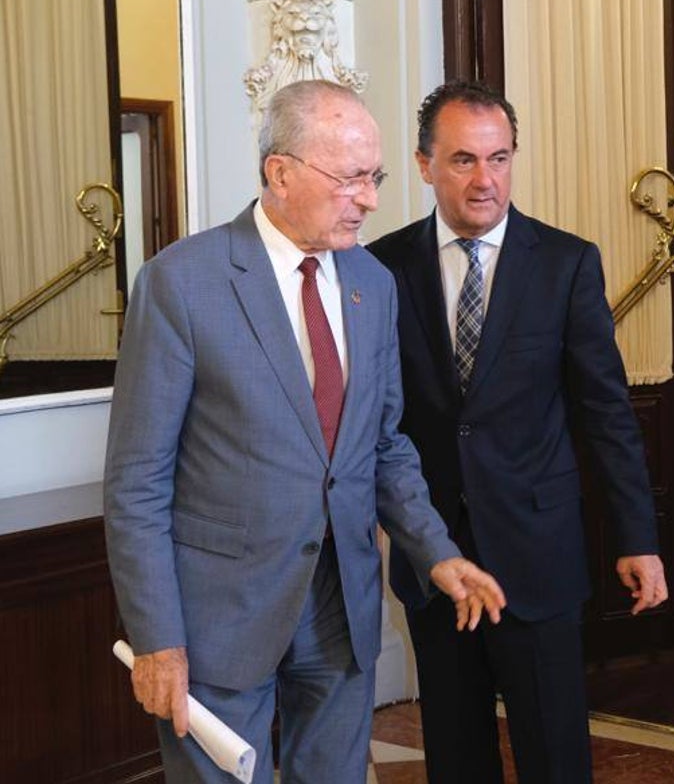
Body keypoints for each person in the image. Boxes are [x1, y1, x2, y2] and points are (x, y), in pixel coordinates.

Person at [104, 79, 505, 784]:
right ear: (279, 173)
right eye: (351, 178)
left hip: (340, 604)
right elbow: (138, 483)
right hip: (218, 620)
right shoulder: (181, 284)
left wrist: (436, 552)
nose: (372, 199)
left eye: (374, 178)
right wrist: (157, 640)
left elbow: (382, 445)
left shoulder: (372, 284)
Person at [368, 80, 669, 783]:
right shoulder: (381, 269)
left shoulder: (566, 264)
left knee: (554, 753)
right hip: (434, 555)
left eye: (500, 159)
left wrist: (638, 539)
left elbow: (605, 413)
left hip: (538, 551)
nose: (486, 181)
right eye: (465, 160)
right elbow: (375, 419)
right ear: (424, 164)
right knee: (455, 747)